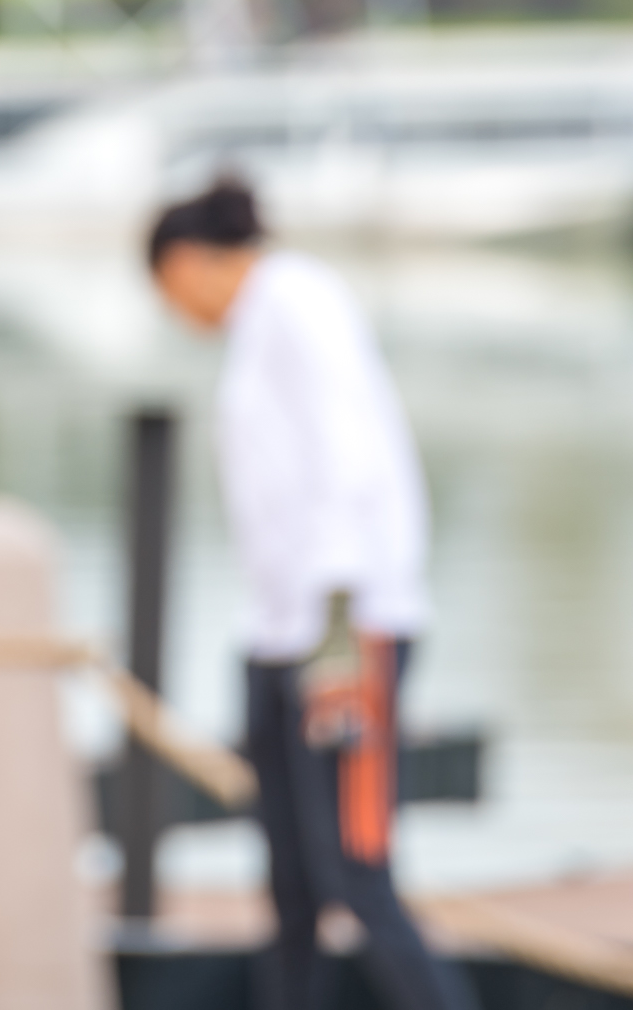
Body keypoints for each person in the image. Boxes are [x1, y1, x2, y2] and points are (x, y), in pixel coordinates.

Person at [147, 178, 475, 1010]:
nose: (176, 312)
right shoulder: (259, 328)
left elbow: (349, 458)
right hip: (277, 634)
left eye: (167, 291)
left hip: (345, 632)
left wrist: (335, 633)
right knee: (291, 887)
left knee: (354, 875)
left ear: (186, 263)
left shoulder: (297, 299)